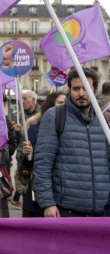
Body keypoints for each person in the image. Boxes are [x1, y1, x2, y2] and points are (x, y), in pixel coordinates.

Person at [33, 68, 110, 217]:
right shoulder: (54, 116)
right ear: (69, 90)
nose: (81, 93)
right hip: (66, 211)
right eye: (76, 88)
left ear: (95, 91)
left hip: (102, 213)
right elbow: (42, 164)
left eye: (86, 88)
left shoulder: (104, 121)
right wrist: (47, 203)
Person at [15, 91, 66, 217]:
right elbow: (27, 163)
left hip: (66, 192)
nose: (65, 106)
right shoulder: (36, 127)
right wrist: (27, 154)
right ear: (51, 105)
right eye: (61, 103)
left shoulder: (71, 126)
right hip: (41, 191)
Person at [11, 89, 40, 208]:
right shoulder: (19, 115)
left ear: (33, 100)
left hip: (36, 155)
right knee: (23, 179)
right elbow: (14, 141)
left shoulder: (42, 114)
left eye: (25, 99)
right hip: (22, 156)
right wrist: (16, 132)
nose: (22, 101)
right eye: (21, 99)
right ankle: (24, 205)